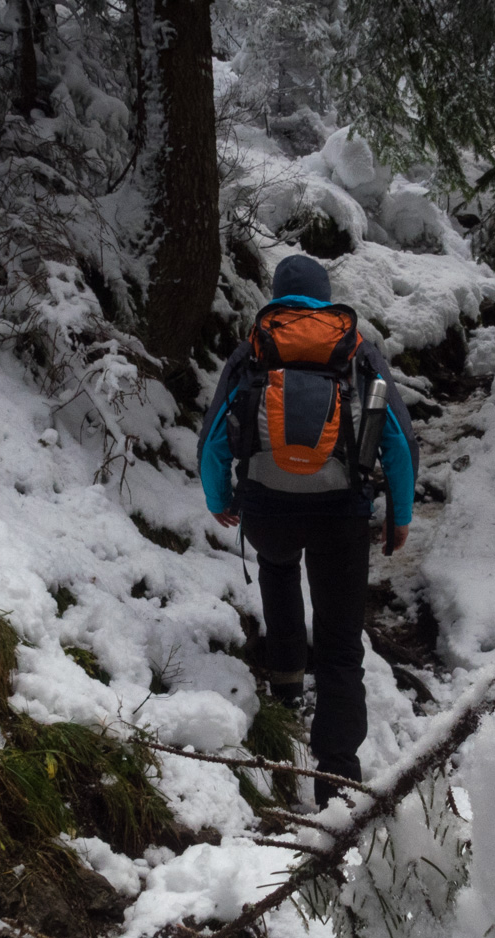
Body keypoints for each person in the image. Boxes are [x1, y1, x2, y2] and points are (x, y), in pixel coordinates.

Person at [196, 254, 417, 807]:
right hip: (341, 512)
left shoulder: (254, 350)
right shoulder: (356, 350)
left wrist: (222, 499)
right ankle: (338, 778)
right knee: (342, 644)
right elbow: (398, 440)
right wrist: (400, 516)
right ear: (325, 296)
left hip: (267, 506)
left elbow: (215, 438)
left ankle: (288, 682)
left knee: (276, 569)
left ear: (277, 296)